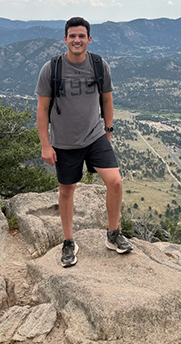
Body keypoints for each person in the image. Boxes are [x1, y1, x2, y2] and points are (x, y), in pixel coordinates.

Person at [36, 16, 133, 267]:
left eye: (81, 36)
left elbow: (107, 100)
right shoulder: (52, 69)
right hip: (65, 141)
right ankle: (69, 241)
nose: (77, 40)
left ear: (89, 39)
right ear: (65, 39)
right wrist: (45, 144)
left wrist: (108, 132)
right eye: (72, 36)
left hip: (95, 135)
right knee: (67, 191)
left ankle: (113, 234)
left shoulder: (99, 65)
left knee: (115, 181)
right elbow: (42, 108)